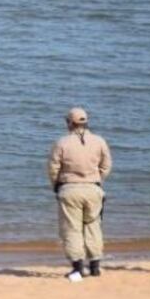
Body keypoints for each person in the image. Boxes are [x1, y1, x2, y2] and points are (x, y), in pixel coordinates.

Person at [47, 107, 112, 281]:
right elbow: (106, 165)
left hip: (70, 189)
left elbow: (53, 168)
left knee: (72, 229)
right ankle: (95, 266)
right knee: (93, 226)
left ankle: (77, 268)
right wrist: (98, 180)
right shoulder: (99, 141)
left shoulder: (62, 143)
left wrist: (56, 186)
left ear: (69, 123)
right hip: (93, 188)